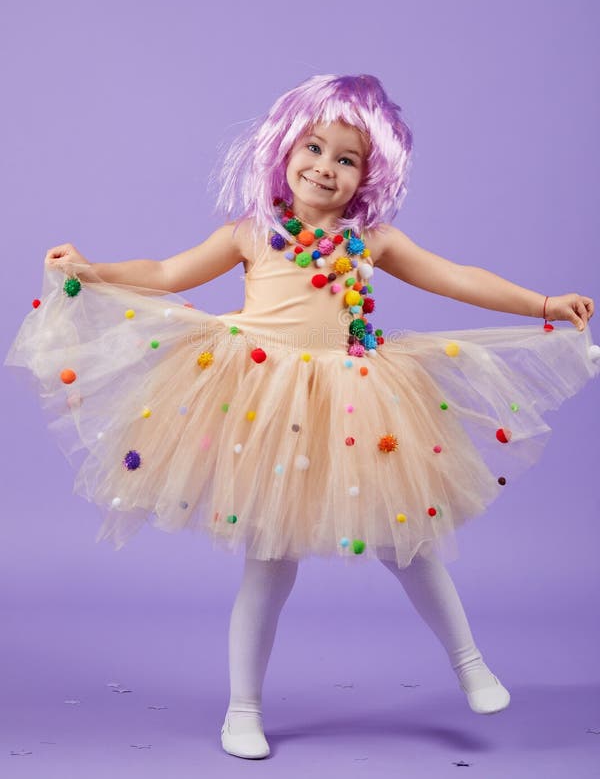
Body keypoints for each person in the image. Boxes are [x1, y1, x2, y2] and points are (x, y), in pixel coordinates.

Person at [4, 74, 598, 760]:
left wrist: (542, 303)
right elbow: (166, 273)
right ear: (283, 152)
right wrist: (97, 268)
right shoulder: (253, 233)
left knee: (410, 545)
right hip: (262, 398)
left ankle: (470, 664)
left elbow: (456, 274)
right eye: (313, 148)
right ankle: (243, 710)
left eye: (347, 159)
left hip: (353, 398)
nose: (325, 167)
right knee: (269, 562)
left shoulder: (370, 241)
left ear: (369, 177)